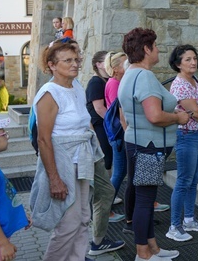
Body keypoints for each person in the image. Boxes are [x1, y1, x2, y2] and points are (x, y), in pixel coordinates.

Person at [29, 39, 105, 260]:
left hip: (81, 159)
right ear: (52, 65)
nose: (75, 64)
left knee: (83, 217)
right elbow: (43, 139)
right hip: (62, 161)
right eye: (68, 60)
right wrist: (54, 178)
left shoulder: (77, 86)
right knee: (68, 223)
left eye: (76, 59)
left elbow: (85, 124)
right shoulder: (49, 93)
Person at [118, 28, 189, 261]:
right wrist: (179, 118)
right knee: (146, 200)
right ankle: (143, 254)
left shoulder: (129, 74)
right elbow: (155, 116)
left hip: (137, 144)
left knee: (143, 199)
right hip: (148, 147)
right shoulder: (145, 77)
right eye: (155, 46)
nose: (158, 50)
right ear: (147, 49)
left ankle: (152, 248)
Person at [165, 45, 198, 242]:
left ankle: (189, 219)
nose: (193, 62)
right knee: (183, 181)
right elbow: (194, 112)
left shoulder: (194, 80)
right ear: (178, 64)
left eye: (194, 58)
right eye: (187, 59)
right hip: (187, 136)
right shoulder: (180, 85)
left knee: (193, 180)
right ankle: (174, 226)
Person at [85, 51, 125, 256]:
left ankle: (107, 203)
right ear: (99, 64)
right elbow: (101, 109)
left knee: (111, 164)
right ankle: (106, 208)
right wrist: (113, 128)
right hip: (103, 128)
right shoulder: (96, 83)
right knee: (109, 162)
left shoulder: (105, 81)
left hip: (106, 128)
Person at [0, 118, 32, 261]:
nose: (7, 137)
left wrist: (20, 216)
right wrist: (4, 243)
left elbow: (2, 200)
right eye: (3, 134)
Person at [104, 52, 127, 206]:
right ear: (116, 68)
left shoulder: (117, 82)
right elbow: (119, 110)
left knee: (121, 172)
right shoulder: (114, 84)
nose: (128, 66)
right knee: (118, 172)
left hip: (119, 134)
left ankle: (107, 205)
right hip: (119, 134)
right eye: (125, 64)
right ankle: (106, 207)